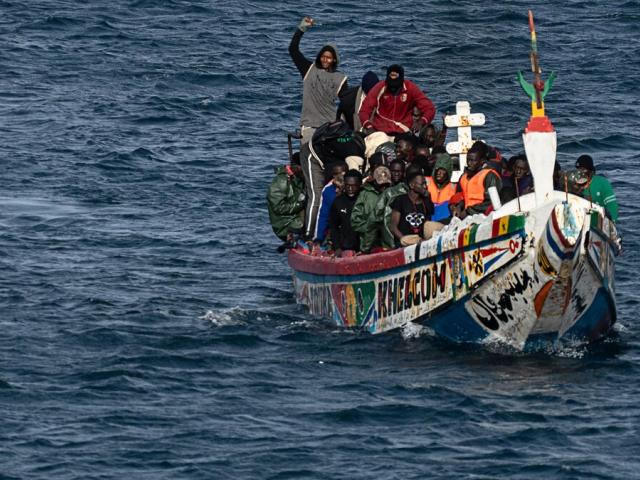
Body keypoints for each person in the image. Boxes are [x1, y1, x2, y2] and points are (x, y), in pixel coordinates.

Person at [289, 16, 348, 238]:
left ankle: (326, 224)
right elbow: (293, 50)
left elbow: (346, 103)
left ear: (335, 61)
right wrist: (301, 29)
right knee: (310, 179)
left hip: (329, 132)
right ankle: (308, 224)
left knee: (326, 178)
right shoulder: (309, 70)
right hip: (309, 130)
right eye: (323, 57)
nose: (326, 60)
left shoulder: (340, 79)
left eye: (329, 58)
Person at [359, 64, 436, 135]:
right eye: (391, 85)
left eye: (396, 86)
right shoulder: (380, 87)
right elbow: (364, 110)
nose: (393, 88)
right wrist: (368, 126)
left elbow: (429, 108)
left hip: (404, 132)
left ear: (402, 81)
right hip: (380, 132)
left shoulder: (411, 88)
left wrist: (421, 121)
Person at [451, 141, 501, 219]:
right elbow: (462, 196)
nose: (469, 163)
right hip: (466, 217)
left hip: (484, 217)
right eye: (468, 160)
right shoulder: (464, 177)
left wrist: (468, 212)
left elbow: (491, 202)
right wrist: (458, 206)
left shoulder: (490, 175)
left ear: (482, 161)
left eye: (473, 160)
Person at [351, 165, 392, 252]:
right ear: (374, 181)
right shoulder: (364, 194)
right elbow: (355, 220)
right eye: (381, 184)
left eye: (386, 184)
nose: (384, 187)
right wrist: (369, 227)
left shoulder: (393, 194)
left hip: (389, 244)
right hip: (369, 244)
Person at [390, 171, 435, 246]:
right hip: (404, 243)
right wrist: (404, 240)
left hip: (421, 243)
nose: (425, 186)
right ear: (411, 185)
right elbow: (393, 227)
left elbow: (428, 223)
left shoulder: (426, 201)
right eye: (421, 184)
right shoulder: (400, 200)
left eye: (425, 183)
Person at [266, 163, 306, 242]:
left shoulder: (299, 179)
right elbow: (278, 207)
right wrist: (301, 204)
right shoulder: (281, 182)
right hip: (287, 224)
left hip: (297, 218)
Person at [574, 154, 619, 221]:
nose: (580, 174)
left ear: (591, 171)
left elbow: (612, 205)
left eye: (583, 170)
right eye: (578, 170)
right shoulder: (573, 184)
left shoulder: (602, 183)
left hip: (597, 225)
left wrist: (612, 221)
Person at [375, 160, 408, 249]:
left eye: (399, 171)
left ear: (404, 172)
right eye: (393, 171)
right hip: (389, 239)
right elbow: (377, 216)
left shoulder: (407, 190)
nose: (396, 174)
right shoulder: (386, 190)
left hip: (399, 237)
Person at [328, 170, 362, 256]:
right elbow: (333, 227)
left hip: (363, 246)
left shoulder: (365, 200)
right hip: (345, 247)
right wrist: (337, 247)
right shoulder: (338, 202)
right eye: (347, 186)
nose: (350, 189)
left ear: (360, 185)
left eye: (354, 186)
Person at [313, 161, 348, 244]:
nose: (340, 176)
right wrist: (318, 238)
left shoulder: (353, 186)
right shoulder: (328, 190)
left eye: (342, 173)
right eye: (336, 174)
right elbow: (323, 215)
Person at [427, 153, 456, 222]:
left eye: (443, 170)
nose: (439, 172)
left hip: (445, 222)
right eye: (437, 169)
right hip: (428, 220)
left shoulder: (454, 188)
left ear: (448, 173)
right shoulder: (425, 182)